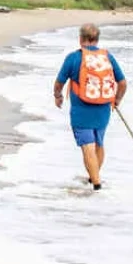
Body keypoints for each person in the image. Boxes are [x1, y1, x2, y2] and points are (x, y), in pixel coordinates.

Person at [53, 24, 126, 190]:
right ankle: (93, 179)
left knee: (88, 146)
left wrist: (57, 96)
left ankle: (97, 185)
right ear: (97, 40)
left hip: (81, 111)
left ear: (80, 39)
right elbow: (122, 83)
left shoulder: (73, 58)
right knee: (99, 144)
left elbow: (59, 83)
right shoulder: (107, 57)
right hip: (103, 109)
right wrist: (117, 100)